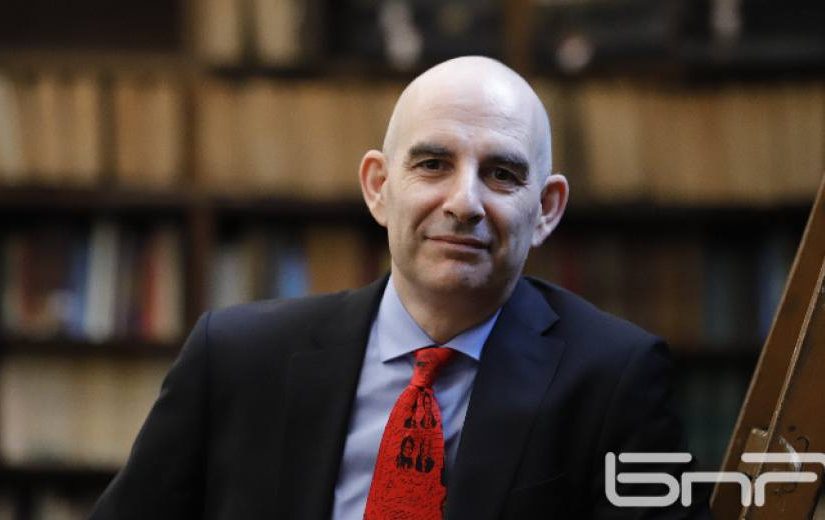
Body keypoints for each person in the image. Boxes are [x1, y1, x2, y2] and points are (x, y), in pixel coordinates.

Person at [90, 56, 707, 519]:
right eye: (433, 164)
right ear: (379, 187)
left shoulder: (617, 378)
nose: (464, 203)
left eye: (501, 173)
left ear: (546, 209)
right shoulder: (234, 358)